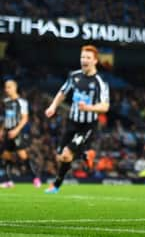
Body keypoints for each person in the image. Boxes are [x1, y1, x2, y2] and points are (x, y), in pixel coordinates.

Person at [44, 45, 110, 194]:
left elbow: (105, 106)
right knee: (61, 156)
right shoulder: (74, 76)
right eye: (82, 57)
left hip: (87, 125)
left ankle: (56, 185)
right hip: (72, 122)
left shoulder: (100, 81)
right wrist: (53, 106)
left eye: (87, 57)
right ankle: (85, 154)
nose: (84, 60)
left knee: (67, 153)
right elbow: (63, 92)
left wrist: (89, 108)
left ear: (95, 61)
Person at [0, 80, 40, 188]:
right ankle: (8, 181)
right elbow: (7, 118)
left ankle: (35, 178)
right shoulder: (6, 101)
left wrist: (16, 130)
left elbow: (25, 118)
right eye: (5, 87)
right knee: (5, 155)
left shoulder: (22, 102)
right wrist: (2, 130)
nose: (6, 89)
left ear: (14, 88)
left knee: (22, 155)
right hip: (8, 132)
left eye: (9, 87)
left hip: (16, 132)